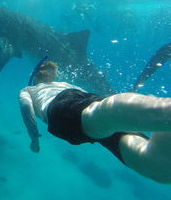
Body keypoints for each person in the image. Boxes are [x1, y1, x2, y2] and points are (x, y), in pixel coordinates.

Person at [19, 60, 171, 184]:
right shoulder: (28, 89)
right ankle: (165, 110)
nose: (51, 73)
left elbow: (28, 111)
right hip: (62, 108)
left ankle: (163, 113)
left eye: (52, 71)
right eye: (46, 70)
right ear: (37, 73)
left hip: (81, 121)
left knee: (158, 169)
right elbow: (27, 110)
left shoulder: (61, 84)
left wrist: (34, 140)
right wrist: (34, 139)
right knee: (107, 112)